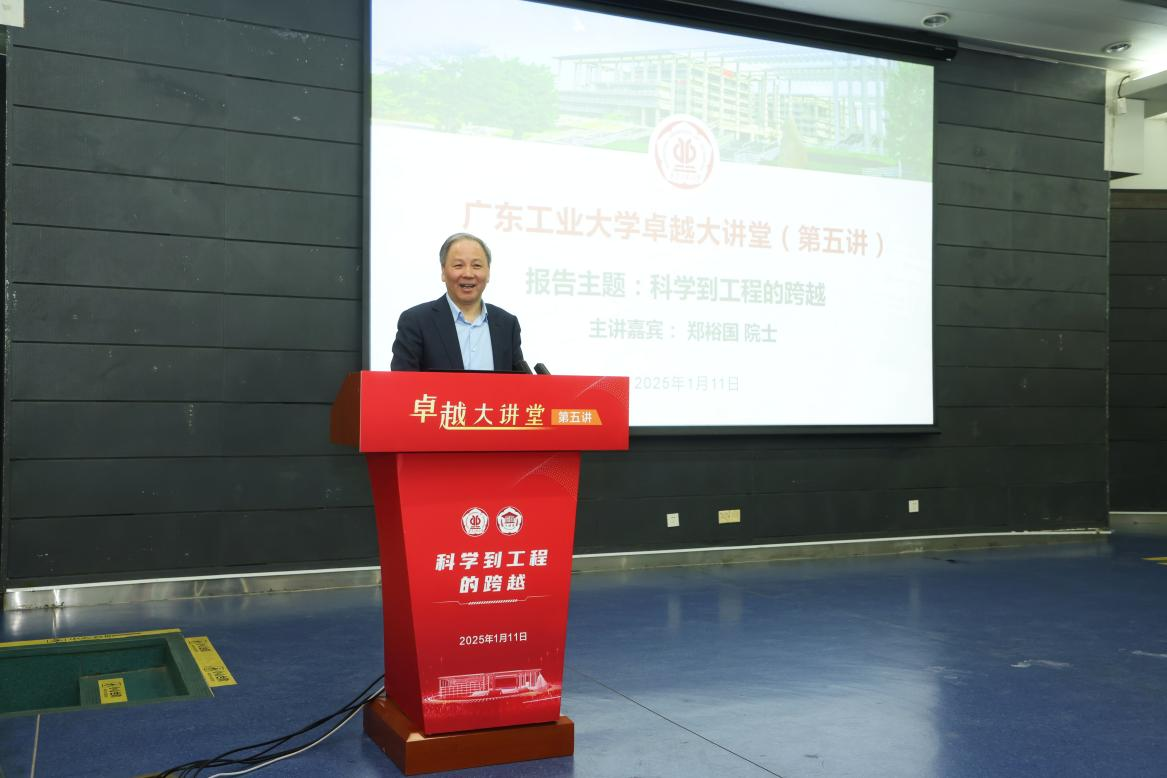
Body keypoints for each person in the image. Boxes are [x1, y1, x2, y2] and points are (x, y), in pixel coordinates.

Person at [390, 233, 525, 372]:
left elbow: (519, 382)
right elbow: (402, 381)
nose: (468, 274)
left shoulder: (507, 325)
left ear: (488, 273)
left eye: (477, 265)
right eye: (458, 265)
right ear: (443, 271)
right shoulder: (416, 322)